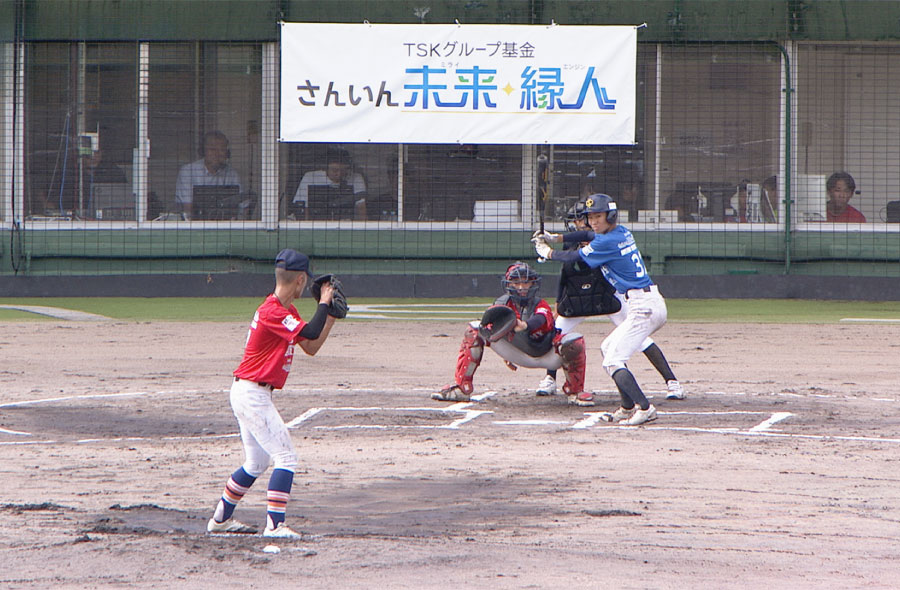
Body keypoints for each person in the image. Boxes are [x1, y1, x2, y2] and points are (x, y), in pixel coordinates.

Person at [206, 248, 339, 539]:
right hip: (251, 394)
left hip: (249, 392)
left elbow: (312, 345)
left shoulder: (285, 311)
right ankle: (275, 525)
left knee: (256, 463)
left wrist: (329, 317)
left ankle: (220, 520)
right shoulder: (272, 312)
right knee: (286, 457)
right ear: (300, 280)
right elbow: (312, 332)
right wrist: (325, 304)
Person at [533, 194, 670, 425]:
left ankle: (644, 408)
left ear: (611, 216)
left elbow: (576, 255)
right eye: (591, 217)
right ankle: (627, 407)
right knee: (608, 348)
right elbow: (586, 235)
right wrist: (556, 237)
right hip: (646, 301)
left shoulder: (607, 242)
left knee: (613, 361)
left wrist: (548, 252)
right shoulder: (619, 232)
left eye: (599, 216)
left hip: (642, 306)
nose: (594, 221)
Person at [432, 261, 592, 406]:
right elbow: (491, 328)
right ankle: (462, 387)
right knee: (474, 330)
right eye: (516, 283)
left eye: (526, 282)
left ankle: (575, 391)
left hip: (547, 354)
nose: (522, 287)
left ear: (533, 283)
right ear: (509, 284)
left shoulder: (540, 304)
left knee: (574, 341)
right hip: (516, 351)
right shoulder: (502, 304)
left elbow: (541, 319)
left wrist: (525, 325)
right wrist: (505, 354)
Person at [175, 131, 241, 220]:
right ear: (202, 151)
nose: (217, 154)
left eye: (222, 149)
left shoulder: (232, 174)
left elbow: (242, 207)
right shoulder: (188, 172)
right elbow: (187, 209)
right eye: (212, 149)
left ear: (227, 153)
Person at [292, 148, 367, 220]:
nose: (339, 174)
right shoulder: (311, 177)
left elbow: (361, 207)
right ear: (326, 168)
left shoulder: (356, 178)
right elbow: (303, 206)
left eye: (343, 170)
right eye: (335, 170)